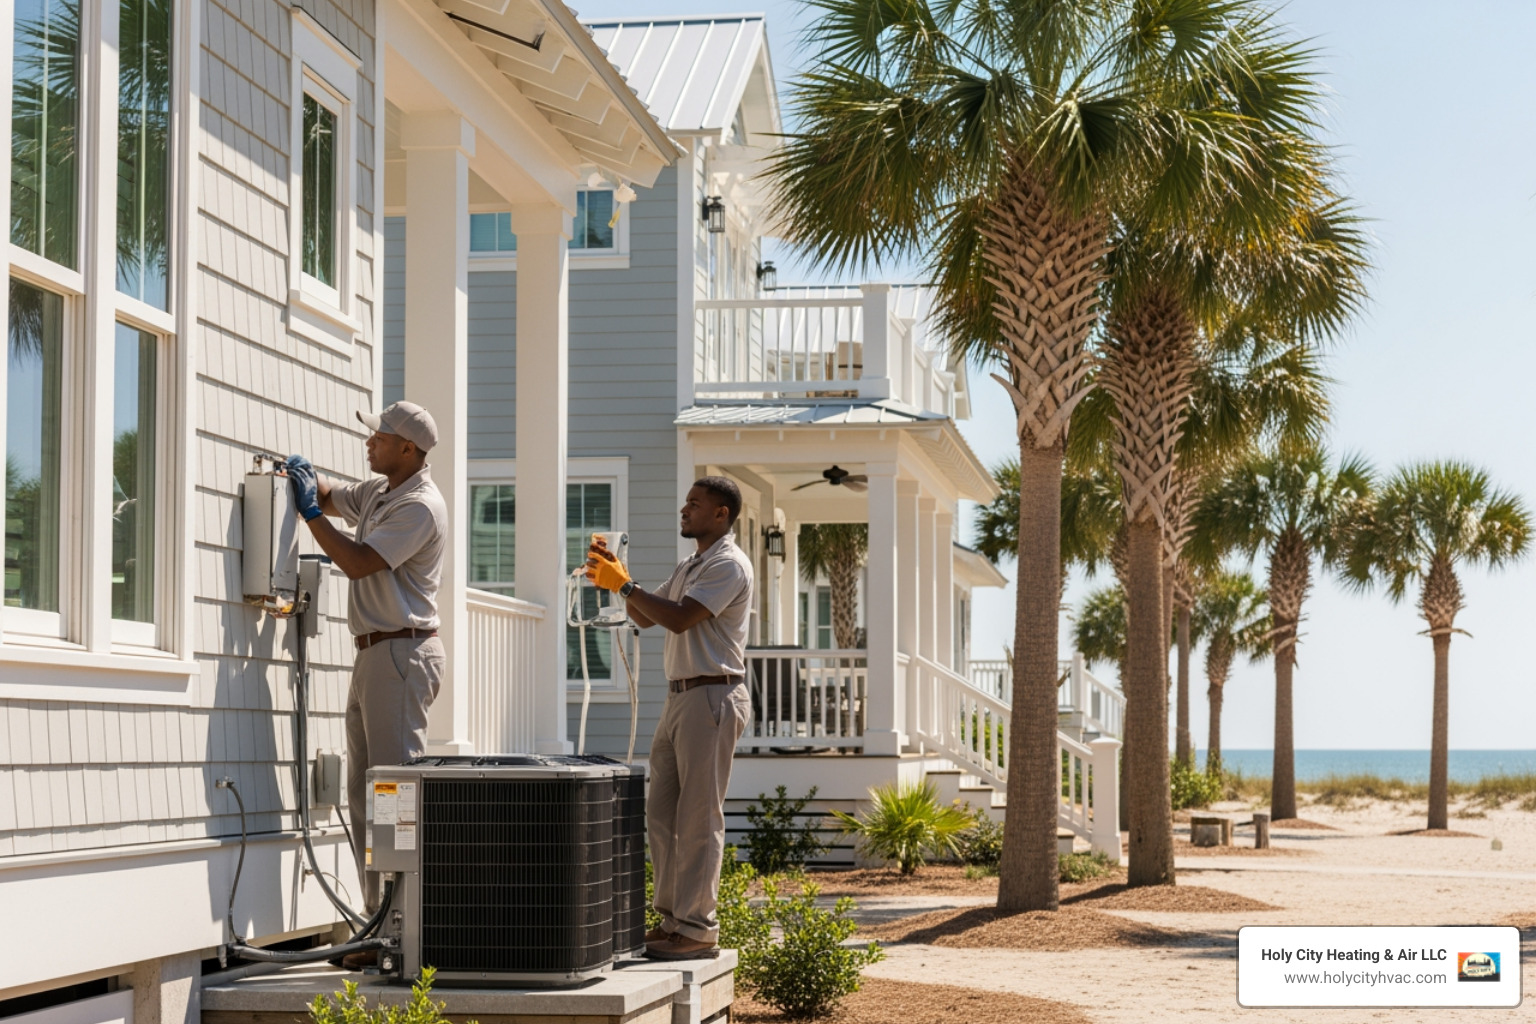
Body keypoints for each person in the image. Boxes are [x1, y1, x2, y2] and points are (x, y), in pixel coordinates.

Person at [284, 400, 448, 969]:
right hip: (374, 655)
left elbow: (356, 561)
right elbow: (333, 495)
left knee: (396, 802)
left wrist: (310, 516)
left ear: (408, 449)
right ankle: (380, 928)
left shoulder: (421, 506)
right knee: (364, 797)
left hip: (402, 653)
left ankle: (404, 936)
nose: (369, 443)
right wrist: (306, 480)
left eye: (378, 437)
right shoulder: (381, 492)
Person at [586, 477, 754, 961]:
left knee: (699, 817)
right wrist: (613, 575)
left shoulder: (728, 564)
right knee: (661, 814)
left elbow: (680, 618)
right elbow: (644, 616)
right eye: (685, 502)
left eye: (695, 504)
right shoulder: (693, 563)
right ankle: (672, 921)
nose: (684, 510)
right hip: (680, 697)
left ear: (720, 515)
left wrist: (628, 584)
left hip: (713, 696)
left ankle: (698, 929)